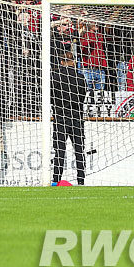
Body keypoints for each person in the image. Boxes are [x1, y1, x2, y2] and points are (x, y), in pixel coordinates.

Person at [50, 50, 88, 186]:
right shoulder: (80, 77)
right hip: (76, 116)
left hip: (60, 116)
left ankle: (56, 180)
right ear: (73, 62)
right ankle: (81, 180)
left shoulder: (55, 77)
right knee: (79, 150)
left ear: (61, 62)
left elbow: (51, 96)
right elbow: (83, 96)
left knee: (60, 150)